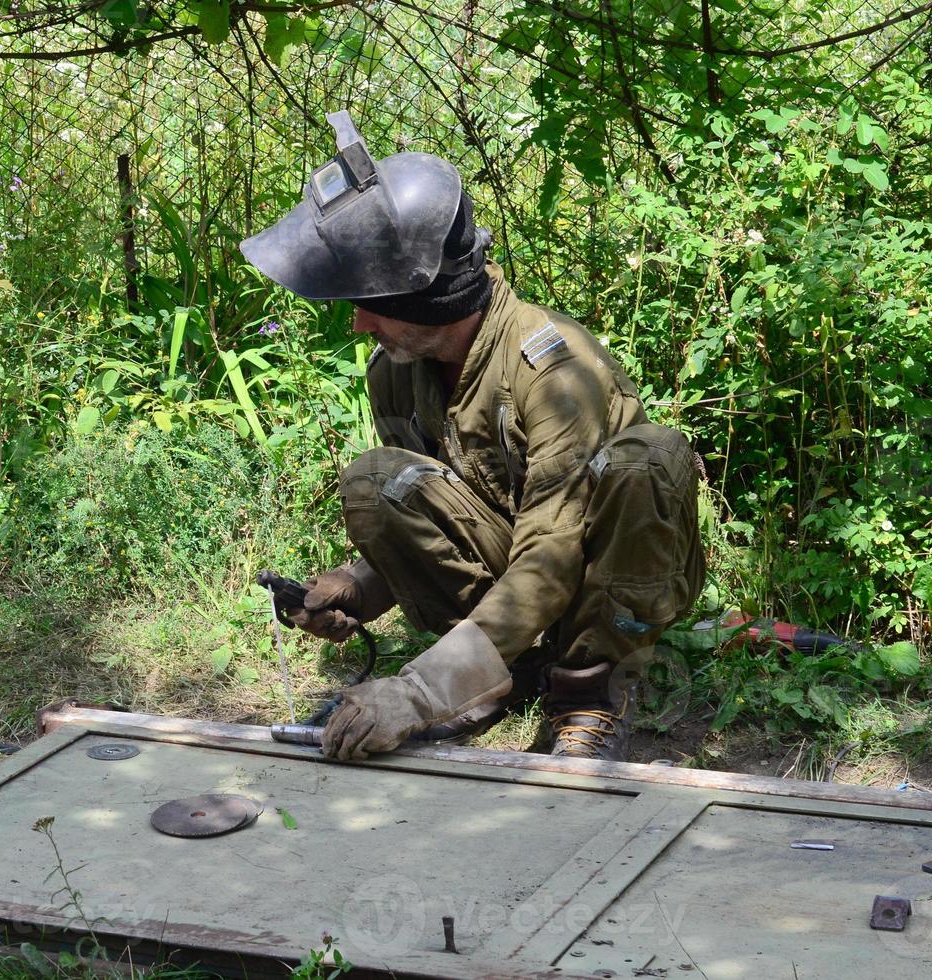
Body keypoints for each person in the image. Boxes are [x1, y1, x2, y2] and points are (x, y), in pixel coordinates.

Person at [240, 111, 704, 763]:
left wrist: (418, 692)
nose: (359, 325)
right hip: (522, 574)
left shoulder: (556, 374)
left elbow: (551, 557)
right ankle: (499, 671)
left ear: (425, 298)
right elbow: (455, 523)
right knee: (378, 482)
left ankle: (590, 695)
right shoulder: (398, 374)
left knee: (643, 463)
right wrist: (358, 587)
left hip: (591, 568)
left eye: (371, 304)